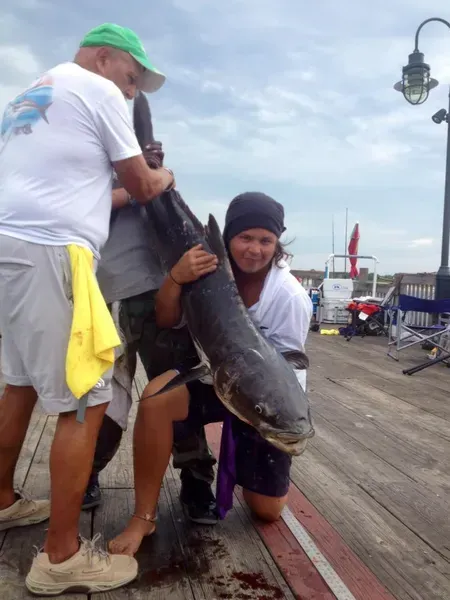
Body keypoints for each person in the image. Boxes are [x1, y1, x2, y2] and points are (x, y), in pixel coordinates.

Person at [0, 22, 175, 595]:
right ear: (103, 59)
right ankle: (61, 556)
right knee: (88, 397)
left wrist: (134, 181)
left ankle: (2, 498)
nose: (131, 94)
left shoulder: (34, 94)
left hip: (11, 251)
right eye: (131, 78)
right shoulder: (97, 90)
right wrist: (162, 173)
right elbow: (145, 188)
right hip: (54, 253)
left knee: (19, 383)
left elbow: (95, 190)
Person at [108, 191, 313, 556]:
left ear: (277, 243)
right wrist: (175, 277)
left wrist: (264, 420)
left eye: (265, 240)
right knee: (156, 396)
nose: (254, 249)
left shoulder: (291, 297)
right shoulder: (204, 265)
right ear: (227, 237)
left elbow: (285, 374)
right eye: (244, 238)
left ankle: (243, 468)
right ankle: (144, 515)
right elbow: (168, 320)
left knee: (267, 511)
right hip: (216, 378)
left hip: (263, 401)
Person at [82, 141, 196, 511]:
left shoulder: (163, 190)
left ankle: (197, 479)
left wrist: (163, 181)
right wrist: (138, 187)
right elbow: (83, 212)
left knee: (179, 390)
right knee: (105, 396)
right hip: (108, 300)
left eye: (156, 153)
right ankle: (87, 472)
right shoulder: (97, 183)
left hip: (163, 298)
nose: (152, 155)